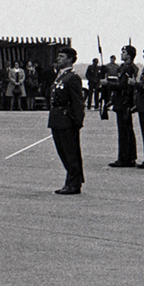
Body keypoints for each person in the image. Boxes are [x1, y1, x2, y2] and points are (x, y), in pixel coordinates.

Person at [50, 47, 85, 195]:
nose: (59, 59)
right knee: (62, 151)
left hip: (67, 119)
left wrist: (78, 120)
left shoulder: (72, 77)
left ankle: (73, 183)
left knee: (70, 152)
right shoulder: (60, 76)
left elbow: (78, 101)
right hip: (57, 118)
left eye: (62, 56)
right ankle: (71, 180)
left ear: (70, 59)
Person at [106, 46, 139, 167]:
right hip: (121, 101)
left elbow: (123, 86)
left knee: (124, 131)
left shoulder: (129, 68)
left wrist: (108, 84)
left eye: (124, 52)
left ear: (129, 55)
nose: (121, 54)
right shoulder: (124, 67)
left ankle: (125, 158)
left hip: (124, 102)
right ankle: (129, 157)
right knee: (126, 130)